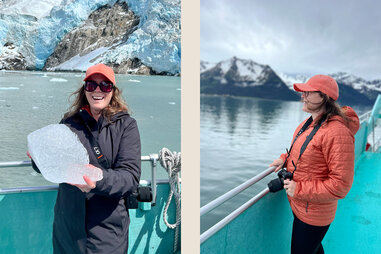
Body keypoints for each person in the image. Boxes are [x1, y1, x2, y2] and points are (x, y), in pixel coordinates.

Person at [31, 63, 141, 254]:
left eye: (105, 85)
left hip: (106, 232)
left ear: (113, 91)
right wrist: (38, 159)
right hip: (67, 231)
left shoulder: (126, 126)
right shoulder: (69, 124)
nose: (97, 90)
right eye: (91, 85)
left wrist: (96, 180)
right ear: (85, 89)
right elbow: (53, 162)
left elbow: (130, 177)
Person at [269, 74, 359, 254]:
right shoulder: (310, 122)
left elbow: (341, 185)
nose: (303, 96)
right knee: (314, 249)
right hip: (302, 205)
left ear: (324, 97)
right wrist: (284, 158)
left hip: (314, 213)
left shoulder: (337, 132)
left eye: (308, 92)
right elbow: (306, 150)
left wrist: (299, 189)